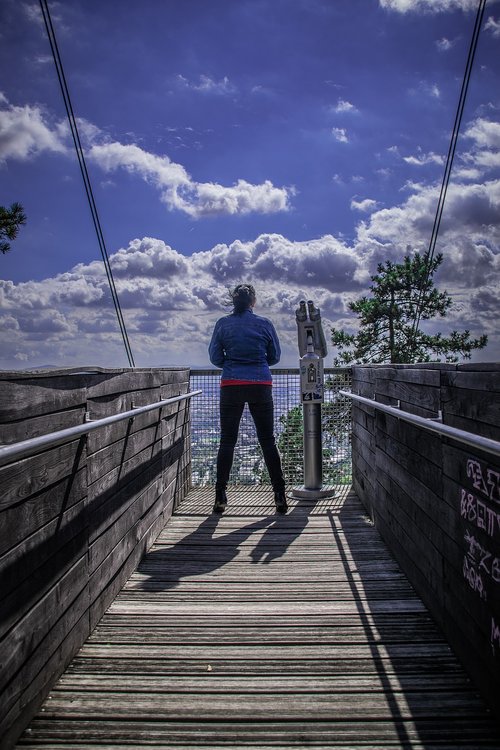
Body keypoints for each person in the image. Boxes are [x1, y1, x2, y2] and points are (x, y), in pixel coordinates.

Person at [208, 283, 287, 515]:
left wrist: (232, 365)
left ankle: (220, 496)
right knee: (268, 441)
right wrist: (257, 365)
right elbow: (275, 357)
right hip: (260, 384)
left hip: (231, 384)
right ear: (253, 302)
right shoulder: (265, 324)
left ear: (234, 301)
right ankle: (280, 495)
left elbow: (214, 357)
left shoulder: (222, 324)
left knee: (227, 441)